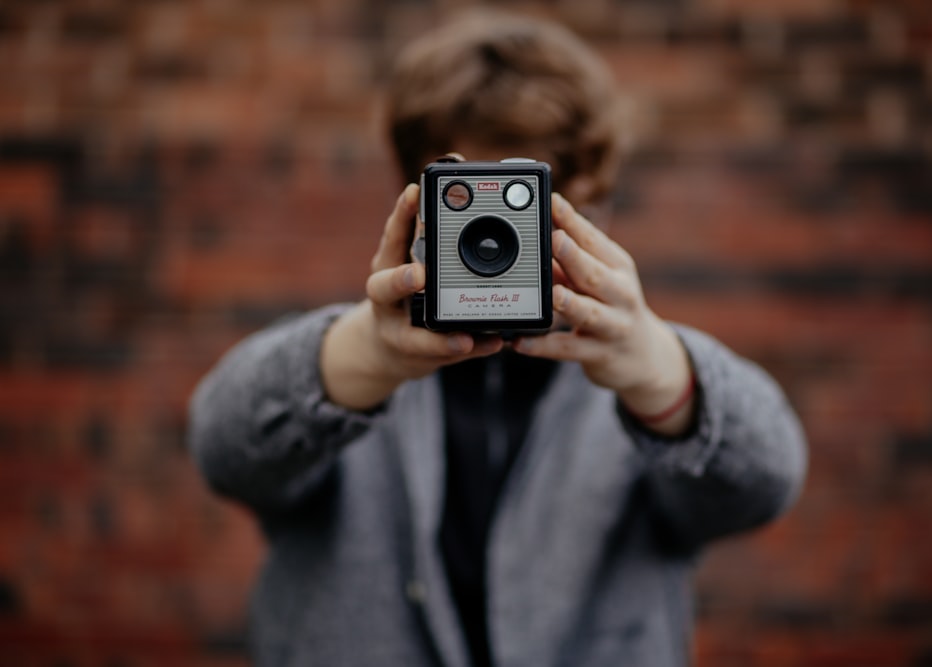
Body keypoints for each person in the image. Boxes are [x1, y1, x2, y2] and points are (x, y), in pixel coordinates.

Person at [188, 9, 807, 667]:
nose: (495, 242)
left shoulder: (630, 360)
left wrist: (661, 375)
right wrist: (363, 355)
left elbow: (766, 482)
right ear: (414, 198)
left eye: (524, 202)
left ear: (594, 208)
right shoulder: (360, 349)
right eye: (468, 200)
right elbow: (223, 446)